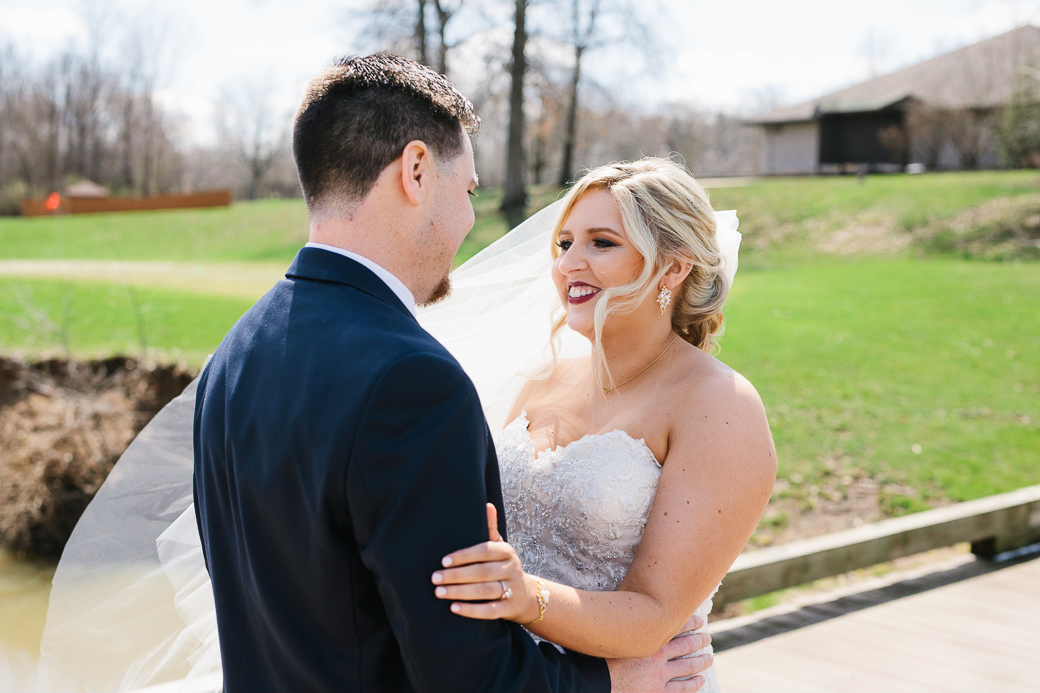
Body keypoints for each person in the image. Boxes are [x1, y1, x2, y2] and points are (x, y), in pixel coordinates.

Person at [37, 56, 717, 693]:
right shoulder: (413, 382)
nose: (470, 219)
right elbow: (465, 675)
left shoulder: (238, 350)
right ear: (416, 171)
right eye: (468, 188)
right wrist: (609, 682)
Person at [423, 160, 777, 693]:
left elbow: (653, 613)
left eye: (602, 243)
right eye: (564, 244)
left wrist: (525, 596)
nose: (570, 264)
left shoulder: (719, 406)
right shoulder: (540, 378)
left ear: (674, 267)